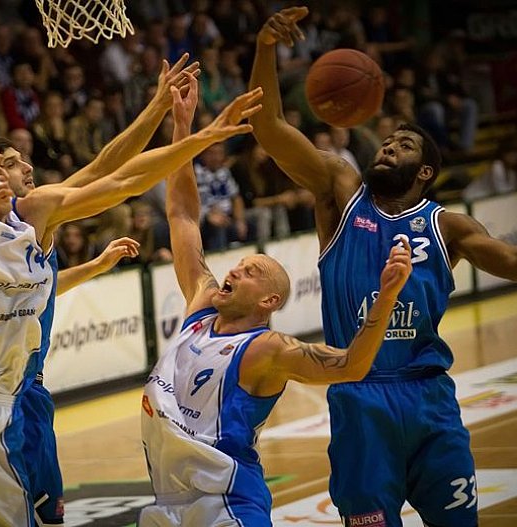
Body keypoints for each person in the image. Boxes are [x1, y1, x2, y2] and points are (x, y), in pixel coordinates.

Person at [0, 75, 263, 526]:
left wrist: (195, 134)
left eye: (3, 165)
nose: (6, 173)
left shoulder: (34, 213)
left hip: (7, 403)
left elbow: (119, 178)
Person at [248, 7, 517, 526]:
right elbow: (268, 127)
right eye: (386, 142)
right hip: (359, 396)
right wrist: (265, 48)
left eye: (403, 146)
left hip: (429, 397)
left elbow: (513, 259)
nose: (388, 148)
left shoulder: (448, 226)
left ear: (424, 171)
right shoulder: (340, 192)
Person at [138, 71, 413, 527]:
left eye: (251, 272)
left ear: (269, 301)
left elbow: (351, 366)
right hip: (166, 502)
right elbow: (183, 215)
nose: (233, 271)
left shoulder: (268, 349)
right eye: (239, 265)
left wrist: (387, 296)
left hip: (225, 502)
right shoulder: (202, 306)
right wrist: (182, 128)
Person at [0, 136, 140, 526]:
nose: (27, 167)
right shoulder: (26, 212)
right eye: (12, 163)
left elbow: (42, 286)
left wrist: (95, 266)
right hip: (5, 389)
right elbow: (111, 174)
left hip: (21, 386)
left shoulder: (22, 219)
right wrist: (182, 133)